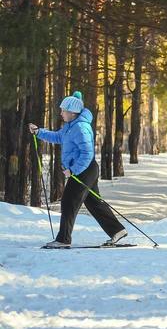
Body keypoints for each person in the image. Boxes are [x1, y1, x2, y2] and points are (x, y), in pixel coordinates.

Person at [29, 91, 127, 248]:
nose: (61, 113)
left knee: (68, 201)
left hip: (84, 169)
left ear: (72, 112)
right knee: (94, 203)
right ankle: (117, 231)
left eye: (63, 110)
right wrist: (39, 132)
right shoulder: (70, 127)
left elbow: (87, 153)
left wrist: (73, 170)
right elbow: (57, 137)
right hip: (85, 169)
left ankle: (63, 239)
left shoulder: (81, 127)